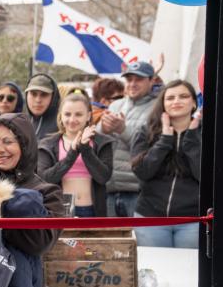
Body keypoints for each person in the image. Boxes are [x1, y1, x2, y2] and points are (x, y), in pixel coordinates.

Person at [131, 80, 202, 248]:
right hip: (150, 218)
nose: (176, 101)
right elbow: (143, 172)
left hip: (192, 220)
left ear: (193, 103)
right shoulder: (145, 131)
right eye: (170, 98)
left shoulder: (206, 133)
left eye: (183, 96)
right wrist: (165, 140)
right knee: (153, 270)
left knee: (188, 271)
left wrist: (191, 139)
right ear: (163, 104)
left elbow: (204, 175)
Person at [0, 113, 66, 253]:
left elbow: (41, 243)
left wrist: (3, 206)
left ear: (25, 146)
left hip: (22, 273)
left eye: (7, 141)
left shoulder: (48, 192)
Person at [37, 92, 114, 217]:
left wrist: (85, 148)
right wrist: (72, 153)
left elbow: (103, 177)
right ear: (60, 115)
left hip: (92, 211)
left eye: (78, 114)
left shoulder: (102, 142)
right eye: (67, 114)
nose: (72, 120)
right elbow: (45, 179)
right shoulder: (47, 144)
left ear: (88, 116)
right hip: (60, 211)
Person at [97, 61, 159, 217]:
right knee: (112, 241)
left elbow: (153, 150)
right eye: (129, 79)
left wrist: (122, 129)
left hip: (139, 191)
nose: (132, 84)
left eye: (138, 79)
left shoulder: (158, 108)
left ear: (152, 80)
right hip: (110, 189)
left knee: (138, 241)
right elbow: (97, 142)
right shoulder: (115, 105)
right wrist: (102, 129)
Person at [24, 73, 61, 141]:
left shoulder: (62, 125)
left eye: (44, 94)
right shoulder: (21, 123)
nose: (38, 100)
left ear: (53, 97)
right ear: (26, 95)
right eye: (33, 94)